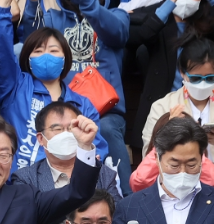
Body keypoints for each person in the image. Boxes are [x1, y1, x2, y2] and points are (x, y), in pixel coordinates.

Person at [18, 0, 131, 193]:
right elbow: (30, 38)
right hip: (67, 103)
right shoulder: (53, 16)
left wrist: (87, 4)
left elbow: (118, 33)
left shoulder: (117, 14)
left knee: (106, 128)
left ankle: (127, 198)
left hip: (106, 110)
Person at [0, 3, 109, 173]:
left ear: (66, 58)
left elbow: (96, 150)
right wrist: (2, 8)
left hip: (65, 187)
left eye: (53, 50)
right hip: (17, 187)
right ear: (27, 59)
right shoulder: (15, 87)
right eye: (38, 51)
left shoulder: (82, 105)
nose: (46, 56)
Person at [126, 0, 214, 156]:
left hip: (203, 100)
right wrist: (168, 6)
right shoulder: (159, 16)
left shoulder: (203, 21)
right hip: (167, 101)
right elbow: (140, 34)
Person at [12, 102, 120, 224]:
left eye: (71, 129)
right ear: (41, 138)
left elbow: (119, 218)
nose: (65, 135)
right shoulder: (25, 178)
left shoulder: (103, 173)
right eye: (57, 129)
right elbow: (26, 221)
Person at [142, 37, 214, 170]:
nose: (203, 84)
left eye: (210, 78)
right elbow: (148, 157)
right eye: (196, 78)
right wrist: (169, 132)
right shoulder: (162, 107)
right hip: (175, 183)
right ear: (182, 72)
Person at [130, 108, 214, 192]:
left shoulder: (199, 169)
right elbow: (139, 182)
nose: (182, 171)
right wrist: (167, 137)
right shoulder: (153, 174)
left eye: (190, 165)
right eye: (174, 165)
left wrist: (194, 145)